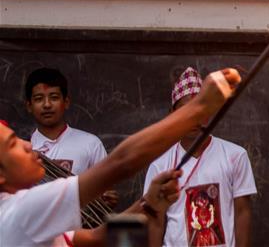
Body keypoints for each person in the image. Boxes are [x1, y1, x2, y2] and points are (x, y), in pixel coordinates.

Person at [0, 67, 241, 247]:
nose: (27, 144)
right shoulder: (19, 213)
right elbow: (122, 162)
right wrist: (199, 108)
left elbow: (98, 238)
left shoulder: (27, 218)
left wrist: (147, 206)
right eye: (13, 144)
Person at [144, 67, 256, 247]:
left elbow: (242, 212)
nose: (193, 119)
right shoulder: (160, 165)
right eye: (185, 111)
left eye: (199, 111)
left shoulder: (235, 156)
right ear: (173, 114)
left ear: (210, 112)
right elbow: (155, 222)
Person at [25, 68, 118, 210]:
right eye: (39, 99)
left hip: (81, 230)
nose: (47, 105)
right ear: (29, 106)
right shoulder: (22, 149)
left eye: (54, 97)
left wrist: (107, 199)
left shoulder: (90, 144)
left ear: (66, 102)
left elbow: (107, 193)